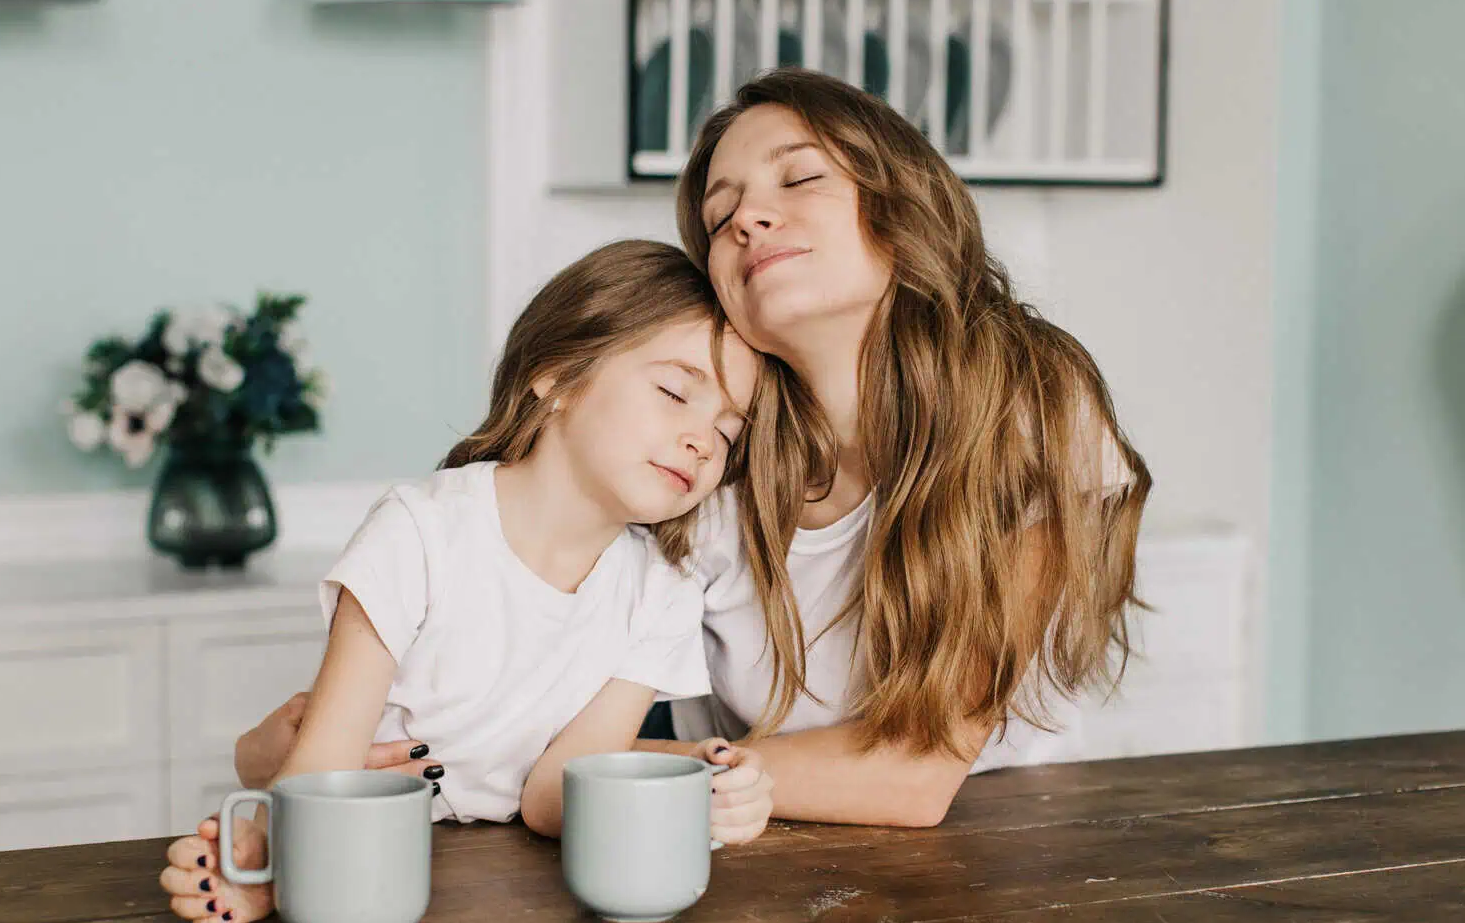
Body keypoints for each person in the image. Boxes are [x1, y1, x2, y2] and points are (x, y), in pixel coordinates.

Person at [238, 67, 1150, 830]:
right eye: (722, 217)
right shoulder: (703, 472)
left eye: (798, 181)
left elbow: (913, 778)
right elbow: (528, 695)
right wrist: (303, 750)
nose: (749, 219)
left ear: (899, 199)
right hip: (746, 857)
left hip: (1006, 855)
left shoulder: (1032, 407)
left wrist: (596, 769)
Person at [161, 240, 776, 923]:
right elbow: (327, 759)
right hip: (368, 871)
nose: (702, 441)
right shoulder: (418, 529)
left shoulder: (665, 593)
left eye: (729, 433)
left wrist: (693, 785)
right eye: (675, 392)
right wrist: (275, 868)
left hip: (505, 900)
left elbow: (553, 793)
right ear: (558, 375)